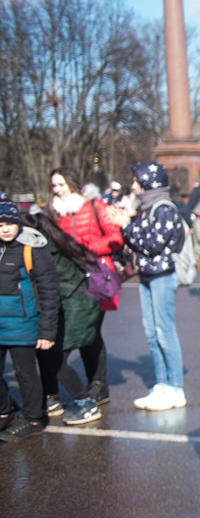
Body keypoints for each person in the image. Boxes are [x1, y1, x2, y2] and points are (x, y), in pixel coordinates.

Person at [104, 162, 186, 411]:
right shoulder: (147, 208)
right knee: (152, 333)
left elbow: (151, 244)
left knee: (164, 331)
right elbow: (139, 240)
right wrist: (128, 221)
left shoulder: (164, 208)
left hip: (162, 276)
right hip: (148, 275)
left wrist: (125, 224)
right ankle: (162, 384)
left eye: (137, 180)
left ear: (149, 183)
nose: (133, 185)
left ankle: (175, 387)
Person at [47, 167, 119, 405]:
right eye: (54, 186)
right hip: (68, 280)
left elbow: (115, 237)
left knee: (91, 330)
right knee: (76, 330)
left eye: (61, 184)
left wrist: (86, 248)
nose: (57, 190)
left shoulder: (95, 206)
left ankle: (97, 384)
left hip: (94, 277)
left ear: (72, 183)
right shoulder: (54, 212)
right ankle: (62, 387)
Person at [29, 214, 103, 426]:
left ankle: (85, 404)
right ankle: (52, 398)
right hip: (74, 304)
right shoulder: (53, 241)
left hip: (75, 308)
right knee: (47, 355)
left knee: (55, 359)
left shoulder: (40, 251)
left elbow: (45, 288)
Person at [0, 201, 59, 441]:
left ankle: (33, 418)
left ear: (18, 223)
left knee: (25, 373)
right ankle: (5, 412)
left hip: (23, 323)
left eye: (9, 223)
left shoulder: (31, 249)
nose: (5, 229)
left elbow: (49, 291)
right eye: (0, 225)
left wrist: (47, 331)